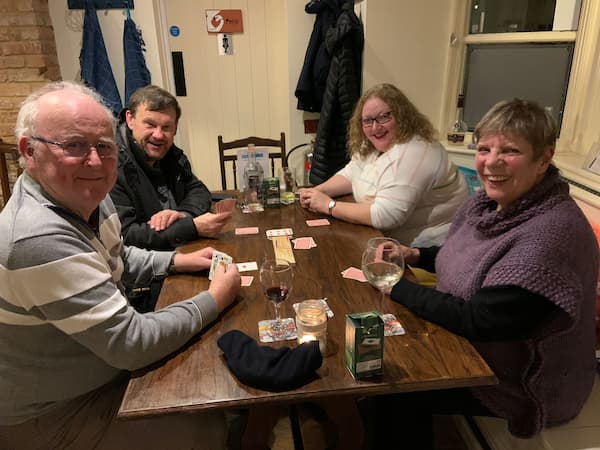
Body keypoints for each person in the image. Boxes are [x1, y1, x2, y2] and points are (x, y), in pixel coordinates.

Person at [0, 81, 241, 450]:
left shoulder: (90, 195)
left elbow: (121, 257)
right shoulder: (37, 239)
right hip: (55, 411)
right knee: (209, 423)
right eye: (74, 145)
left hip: (99, 370)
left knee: (221, 386)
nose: (95, 161)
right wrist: (216, 298)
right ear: (28, 151)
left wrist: (179, 260)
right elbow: (131, 343)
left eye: (103, 146)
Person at [370, 98, 599, 448]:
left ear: (544, 158)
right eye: (484, 148)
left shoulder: (552, 237)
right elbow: (467, 260)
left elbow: (478, 319)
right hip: (473, 348)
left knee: (393, 390)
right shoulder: (493, 204)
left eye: (509, 150)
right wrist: (415, 255)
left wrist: (394, 284)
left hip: (520, 383)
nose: (492, 162)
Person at [299, 83, 468, 247]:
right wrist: (318, 192)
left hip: (425, 252)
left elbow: (387, 216)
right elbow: (351, 173)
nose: (375, 127)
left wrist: (329, 206)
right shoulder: (374, 144)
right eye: (367, 120)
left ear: (402, 115)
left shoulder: (415, 151)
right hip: (380, 238)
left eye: (384, 117)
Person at [110, 85, 231, 251]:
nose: (158, 135)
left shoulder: (171, 153)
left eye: (166, 127)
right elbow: (127, 236)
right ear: (130, 119)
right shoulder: (109, 165)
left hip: (180, 251)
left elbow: (199, 190)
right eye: (150, 124)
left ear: (175, 127)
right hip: (145, 271)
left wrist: (183, 214)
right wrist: (191, 227)